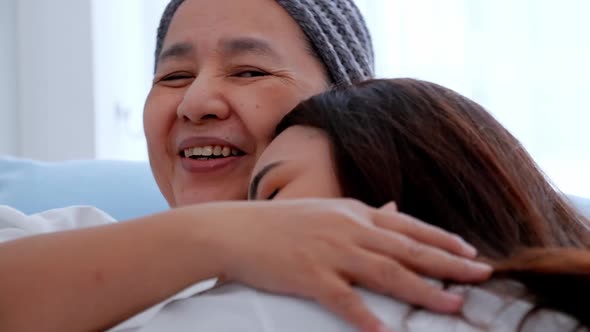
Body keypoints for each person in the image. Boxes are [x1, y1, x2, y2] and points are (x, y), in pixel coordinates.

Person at [0, 1, 491, 332]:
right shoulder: (54, 238)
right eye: (174, 76)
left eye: (249, 71)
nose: (195, 102)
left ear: (349, 108)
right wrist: (225, 237)